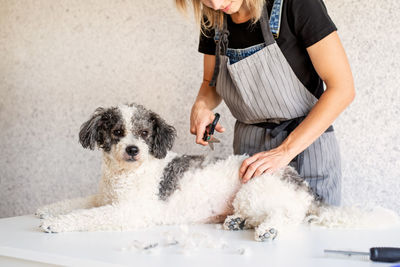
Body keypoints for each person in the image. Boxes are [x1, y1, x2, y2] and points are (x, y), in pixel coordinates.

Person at [175, 0, 355, 205]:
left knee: (312, 231)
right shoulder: (213, 18)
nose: (215, 4)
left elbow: (342, 89)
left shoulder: (297, 4)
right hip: (249, 149)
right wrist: (201, 105)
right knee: (252, 229)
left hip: (306, 149)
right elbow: (211, 82)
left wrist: (285, 151)